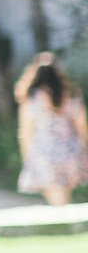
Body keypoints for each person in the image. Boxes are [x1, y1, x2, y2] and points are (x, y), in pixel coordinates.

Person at [17, 52, 87, 207]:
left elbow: (26, 131)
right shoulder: (72, 95)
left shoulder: (32, 98)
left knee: (57, 201)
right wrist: (83, 150)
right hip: (70, 151)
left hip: (45, 154)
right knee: (63, 197)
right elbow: (81, 126)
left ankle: (68, 226)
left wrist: (28, 158)